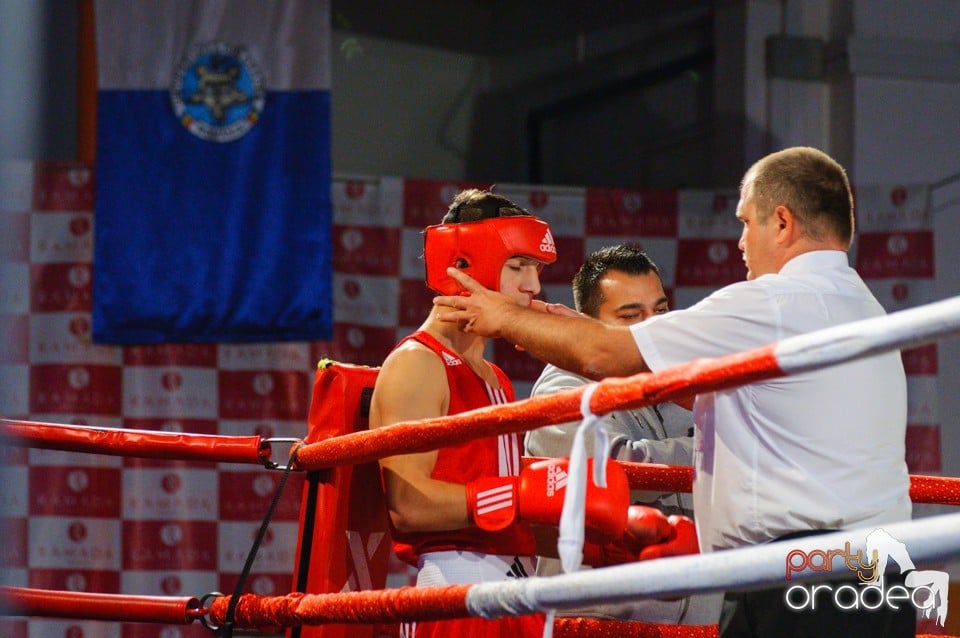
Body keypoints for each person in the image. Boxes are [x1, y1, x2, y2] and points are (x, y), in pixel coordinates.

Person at [434, 148, 914, 637]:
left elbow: (606, 358)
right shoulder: (861, 305)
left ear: (783, 222)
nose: (741, 243)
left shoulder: (774, 302)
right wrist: (574, 329)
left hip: (804, 580)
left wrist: (505, 317)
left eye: (747, 222)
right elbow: (693, 388)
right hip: (871, 574)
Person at [369, 189, 684, 638]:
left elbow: (506, 519)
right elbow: (410, 507)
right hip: (456, 593)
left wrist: (612, 549)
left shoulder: (492, 375)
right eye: (518, 267)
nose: (533, 287)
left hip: (516, 585)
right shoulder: (417, 363)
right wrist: (516, 494)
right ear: (463, 265)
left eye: (535, 269)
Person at [526, 243, 722, 625]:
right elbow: (613, 470)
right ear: (587, 325)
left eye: (661, 311)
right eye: (632, 315)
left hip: (698, 620)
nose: (653, 326)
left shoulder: (681, 379)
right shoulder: (563, 383)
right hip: (600, 618)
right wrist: (721, 449)